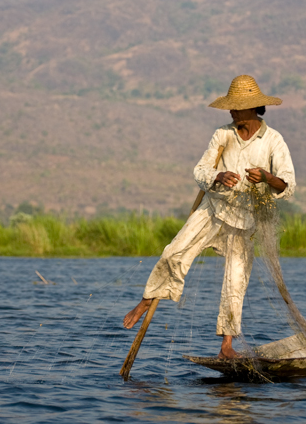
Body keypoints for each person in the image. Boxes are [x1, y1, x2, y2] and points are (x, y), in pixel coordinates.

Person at [123, 75, 296, 359]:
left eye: (237, 107)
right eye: (230, 107)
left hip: (245, 220)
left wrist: (266, 177)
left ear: (253, 109)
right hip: (213, 210)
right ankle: (146, 300)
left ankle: (226, 346)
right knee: (174, 252)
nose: (231, 112)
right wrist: (218, 176)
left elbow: (288, 185)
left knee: (236, 281)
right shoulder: (222, 135)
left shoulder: (273, 141)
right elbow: (200, 171)